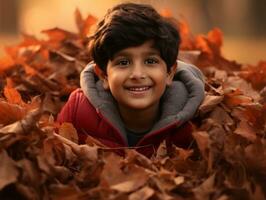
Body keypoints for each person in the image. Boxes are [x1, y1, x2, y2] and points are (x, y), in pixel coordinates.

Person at [57, 2, 205, 157]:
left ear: (169, 73)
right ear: (103, 76)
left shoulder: (193, 119)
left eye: (150, 61)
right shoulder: (78, 111)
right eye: (123, 62)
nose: (137, 74)